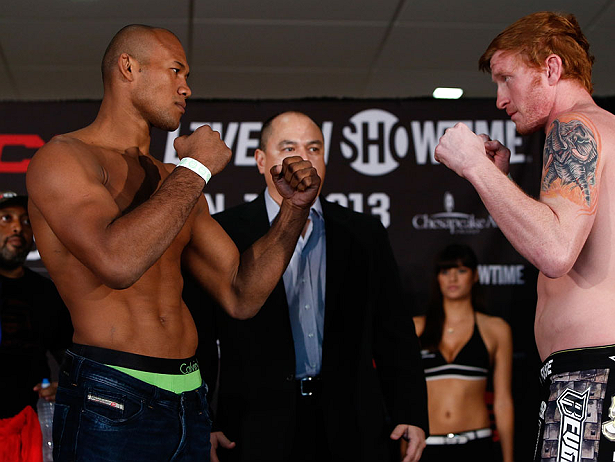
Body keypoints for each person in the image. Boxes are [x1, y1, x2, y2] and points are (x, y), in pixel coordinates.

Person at [25, 25, 320, 461]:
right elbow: (117, 262)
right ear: (128, 67)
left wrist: (293, 211)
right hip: (111, 396)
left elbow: (242, 294)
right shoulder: (65, 158)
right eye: (176, 71)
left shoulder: (173, 179)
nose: (187, 88)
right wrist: (197, 167)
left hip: (190, 398)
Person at [434, 11, 615, 462]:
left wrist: (474, 166)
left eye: (507, 79)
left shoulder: (573, 127)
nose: (500, 99)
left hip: (592, 377)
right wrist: (497, 181)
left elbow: (556, 250)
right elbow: (569, 233)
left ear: (552, 68)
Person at [197, 111, 428, 462]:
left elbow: (393, 330)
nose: (302, 158)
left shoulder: (364, 232)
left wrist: (410, 411)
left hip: (351, 424)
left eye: (314, 148)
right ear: (261, 161)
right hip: (254, 426)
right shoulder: (225, 231)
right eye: (288, 147)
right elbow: (202, 334)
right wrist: (205, 419)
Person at [413, 244, 513, 462]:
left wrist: (508, 458)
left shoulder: (496, 329)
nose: (452, 279)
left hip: (476, 444)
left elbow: (503, 400)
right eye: (445, 271)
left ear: (475, 275)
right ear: (437, 278)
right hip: (427, 446)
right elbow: (405, 394)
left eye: (461, 271)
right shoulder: (416, 328)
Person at [0, 191, 72, 417]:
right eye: (6, 218)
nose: (17, 228)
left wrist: (66, 387)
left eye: (26, 221)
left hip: (28, 424)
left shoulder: (46, 291)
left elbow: (69, 357)